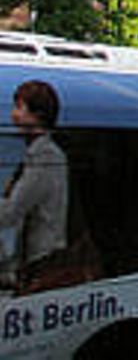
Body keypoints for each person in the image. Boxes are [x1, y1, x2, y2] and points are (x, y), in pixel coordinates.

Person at [0, 80, 68, 292]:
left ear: (37, 114)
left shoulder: (45, 156)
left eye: (19, 107)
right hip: (33, 259)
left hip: (41, 262)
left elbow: (12, 212)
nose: (13, 115)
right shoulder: (36, 153)